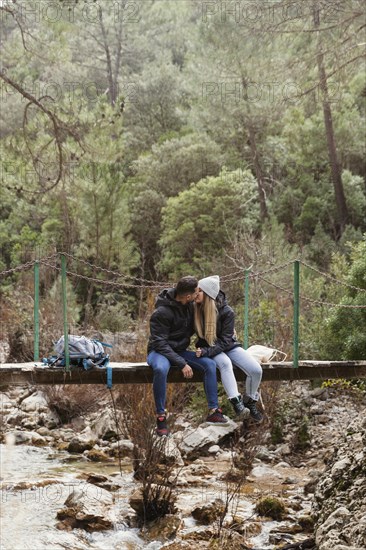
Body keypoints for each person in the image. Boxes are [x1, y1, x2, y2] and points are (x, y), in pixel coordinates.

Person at [147, 275, 229, 436]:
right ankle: (161, 418)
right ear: (188, 296)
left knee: (209, 365)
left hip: (180, 351)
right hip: (159, 352)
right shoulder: (161, 312)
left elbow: (212, 310)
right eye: (197, 291)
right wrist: (182, 363)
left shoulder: (190, 307)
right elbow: (160, 343)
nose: (199, 293)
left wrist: (227, 330)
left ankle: (213, 411)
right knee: (160, 369)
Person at [194, 275, 263, 423]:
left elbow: (226, 341)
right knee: (225, 363)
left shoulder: (227, 312)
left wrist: (207, 353)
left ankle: (249, 401)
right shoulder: (195, 308)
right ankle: (237, 403)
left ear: (207, 293)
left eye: (198, 291)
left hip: (226, 346)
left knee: (256, 370)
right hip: (208, 346)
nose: (195, 294)